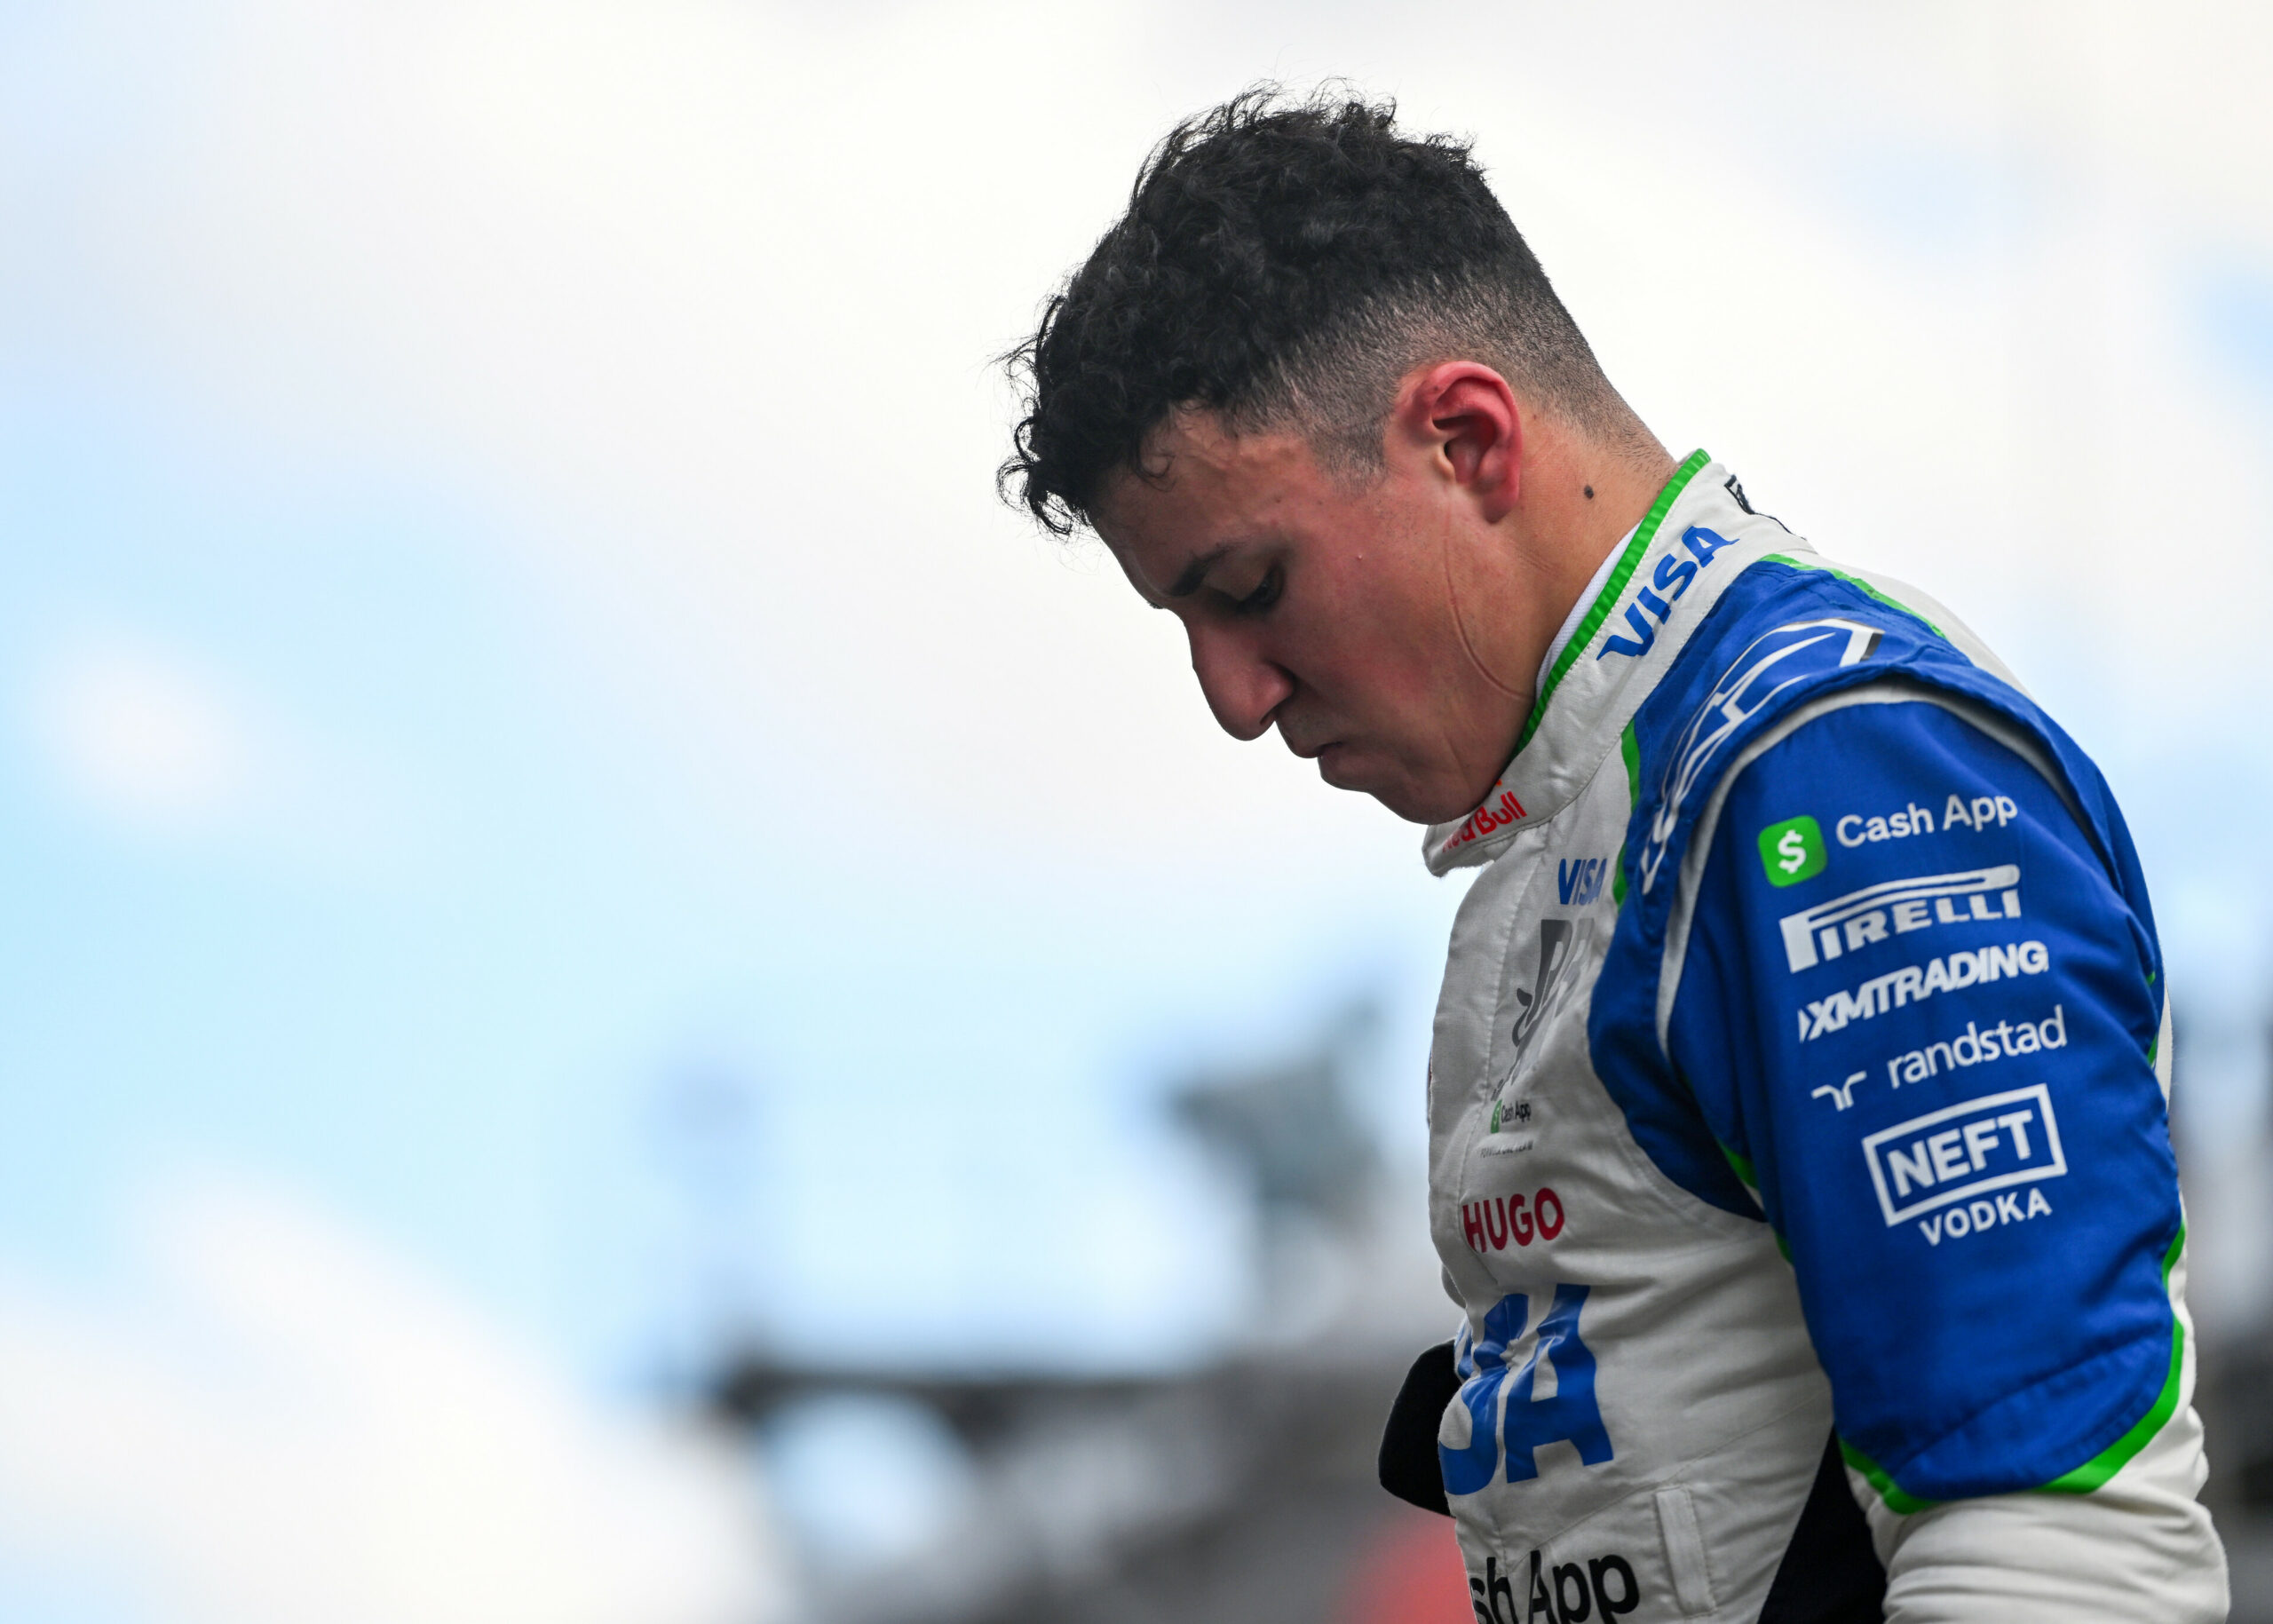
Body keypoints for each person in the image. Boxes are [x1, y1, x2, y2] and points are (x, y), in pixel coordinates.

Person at [999, 89, 2227, 1622]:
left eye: (1251, 586)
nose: (1233, 697)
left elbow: (2061, 1548)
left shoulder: (1826, 770)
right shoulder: (1580, 816)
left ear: (1466, 440)